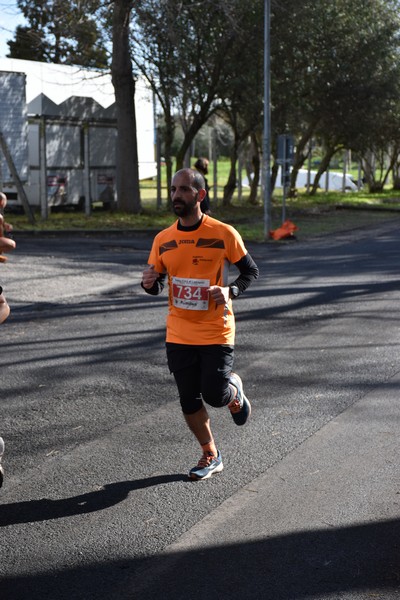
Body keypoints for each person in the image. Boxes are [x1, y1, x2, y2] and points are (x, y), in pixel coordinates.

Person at [141, 168, 259, 480]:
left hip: (215, 330)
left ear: (200, 195)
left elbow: (250, 272)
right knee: (188, 399)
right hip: (179, 331)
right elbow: (156, 284)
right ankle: (211, 453)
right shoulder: (163, 240)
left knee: (214, 395)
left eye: (183, 190)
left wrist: (230, 290)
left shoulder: (223, 233)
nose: (176, 196)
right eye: (173, 189)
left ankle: (232, 391)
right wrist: (148, 283)